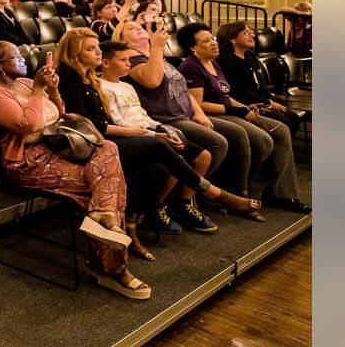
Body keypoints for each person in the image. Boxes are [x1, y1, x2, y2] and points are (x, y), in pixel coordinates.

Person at [57, 31, 262, 255]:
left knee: (167, 164)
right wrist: (152, 134)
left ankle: (134, 225)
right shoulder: (69, 76)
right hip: (101, 143)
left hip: (121, 135)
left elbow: (136, 116)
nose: (97, 52)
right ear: (74, 52)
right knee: (163, 147)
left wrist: (159, 130)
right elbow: (88, 124)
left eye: (97, 47)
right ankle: (213, 193)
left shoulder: (90, 77)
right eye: (90, 49)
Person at [0, 41, 150, 300]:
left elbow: (59, 114)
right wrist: (39, 89)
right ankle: (112, 268)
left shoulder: (25, 85)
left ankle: (104, 221)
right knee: (106, 186)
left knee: (108, 151)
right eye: (16, 56)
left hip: (55, 149)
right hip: (26, 162)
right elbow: (28, 124)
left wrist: (54, 91)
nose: (24, 58)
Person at [112, 20, 252, 228]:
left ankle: (190, 195)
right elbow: (152, 81)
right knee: (217, 142)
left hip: (186, 114)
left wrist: (197, 111)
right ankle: (180, 199)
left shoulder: (157, 55)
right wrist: (157, 45)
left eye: (139, 25)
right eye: (131, 29)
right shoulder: (131, 58)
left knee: (235, 135)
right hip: (166, 118)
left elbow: (182, 87)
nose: (139, 27)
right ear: (123, 40)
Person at [177, 24, 310, 214]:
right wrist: (236, 110)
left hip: (228, 109)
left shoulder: (213, 63)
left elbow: (225, 94)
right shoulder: (190, 67)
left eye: (213, 38)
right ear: (193, 47)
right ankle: (237, 190)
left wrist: (243, 106)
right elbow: (197, 104)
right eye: (206, 41)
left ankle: (279, 193)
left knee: (280, 129)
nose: (213, 43)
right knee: (259, 139)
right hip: (213, 114)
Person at [214, 21, 303, 141]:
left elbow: (261, 84)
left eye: (251, 32)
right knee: (282, 122)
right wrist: (268, 103)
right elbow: (239, 91)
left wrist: (269, 100)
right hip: (244, 104)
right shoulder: (225, 59)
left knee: (293, 117)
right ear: (232, 38)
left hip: (259, 100)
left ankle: (280, 151)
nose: (252, 36)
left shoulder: (249, 55)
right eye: (246, 33)